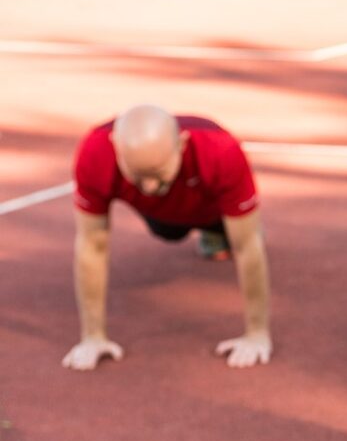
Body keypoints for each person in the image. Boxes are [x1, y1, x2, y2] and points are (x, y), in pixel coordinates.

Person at [63, 104, 272, 371]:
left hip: (210, 206)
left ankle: (217, 232)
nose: (149, 186)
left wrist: (256, 334)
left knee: (240, 233)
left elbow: (248, 246)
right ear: (116, 147)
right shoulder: (95, 153)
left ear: (182, 145)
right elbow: (92, 244)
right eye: (140, 176)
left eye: (158, 174)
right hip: (164, 214)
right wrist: (92, 337)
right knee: (168, 231)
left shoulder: (220, 150)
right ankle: (176, 217)